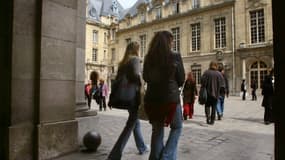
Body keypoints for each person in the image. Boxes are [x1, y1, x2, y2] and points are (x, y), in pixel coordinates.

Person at [143, 31, 185, 160]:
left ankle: (155, 157)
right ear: (168, 42)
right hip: (170, 98)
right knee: (177, 127)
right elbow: (181, 78)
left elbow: (145, 77)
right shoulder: (175, 56)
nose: (172, 44)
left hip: (152, 99)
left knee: (157, 130)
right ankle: (166, 157)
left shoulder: (148, 57)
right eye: (171, 41)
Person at [107, 41, 149, 160]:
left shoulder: (123, 63)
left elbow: (116, 82)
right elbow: (136, 75)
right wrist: (142, 80)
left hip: (124, 96)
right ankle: (115, 153)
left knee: (135, 122)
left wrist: (111, 98)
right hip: (133, 97)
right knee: (131, 124)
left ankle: (142, 147)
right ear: (136, 49)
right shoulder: (135, 59)